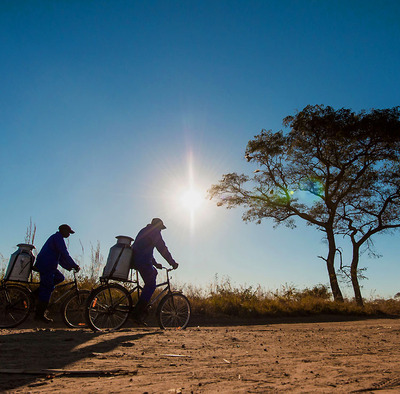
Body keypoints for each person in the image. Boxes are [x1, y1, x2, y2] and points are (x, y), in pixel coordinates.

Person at [131, 218, 178, 322]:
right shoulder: (155, 232)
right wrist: (172, 263)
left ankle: (141, 307)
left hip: (136, 260)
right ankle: (137, 312)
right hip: (142, 261)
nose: (160, 231)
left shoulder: (145, 230)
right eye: (161, 228)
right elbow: (162, 249)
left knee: (153, 274)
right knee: (151, 285)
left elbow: (144, 249)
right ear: (158, 226)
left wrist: (156, 264)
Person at [33, 224, 80, 323]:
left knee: (60, 277)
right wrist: (74, 265)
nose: (69, 235)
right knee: (48, 288)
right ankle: (39, 314)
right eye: (68, 232)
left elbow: (61, 259)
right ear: (63, 230)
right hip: (46, 265)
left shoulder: (57, 238)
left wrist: (70, 267)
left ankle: (37, 293)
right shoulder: (57, 238)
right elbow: (64, 253)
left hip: (50, 265)